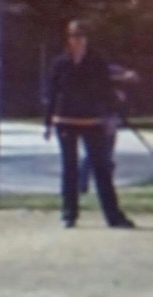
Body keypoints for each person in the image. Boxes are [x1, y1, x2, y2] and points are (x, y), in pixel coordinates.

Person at [43, 19, 134, 229]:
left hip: (92, 121)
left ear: (87, 38)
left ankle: (114, 217)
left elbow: (105, 91)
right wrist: (48, 122)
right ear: (68, 38)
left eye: (81, 36)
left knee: (101, 169)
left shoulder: (97, 62)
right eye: (74, 36)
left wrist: (111, 115)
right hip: (65, 121)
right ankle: (69, 213)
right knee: (70, 169)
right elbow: (52, 92)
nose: (77, 40)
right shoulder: (60, 63)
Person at [78, 64, 140, 193]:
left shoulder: (114, 73)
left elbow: (133, 77)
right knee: (94, 154)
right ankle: (82, 185)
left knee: (107, 155)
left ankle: (105, 185)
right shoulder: (97, 74)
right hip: (98, 119)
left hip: (111, 119)